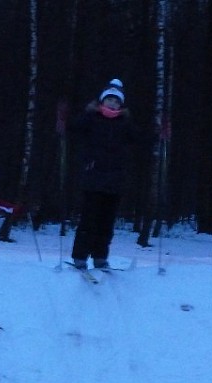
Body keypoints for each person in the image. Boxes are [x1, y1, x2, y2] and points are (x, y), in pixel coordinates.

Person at [68, 78, 148, 270]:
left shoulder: (124, 123)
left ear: (121, 104)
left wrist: (160, 133)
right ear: (102, 101)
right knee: (88, 220)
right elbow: (74, 128)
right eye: (109, 100)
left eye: (116, 101)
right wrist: (63, 121)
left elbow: (141, 139)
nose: (112, 104)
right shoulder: (91, 118)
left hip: (114, 182)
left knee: (106, 223)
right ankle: (80, 257)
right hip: (93, 178)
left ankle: (100, 257)